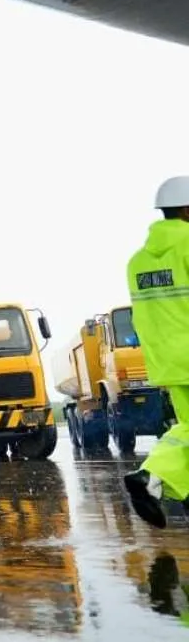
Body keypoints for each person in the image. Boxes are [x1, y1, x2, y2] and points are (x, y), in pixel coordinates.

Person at [123, 176, 189, 528]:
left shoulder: (137, 262)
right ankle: (151, 474)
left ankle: (179, 490)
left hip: (169, 361)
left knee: (187, 427)